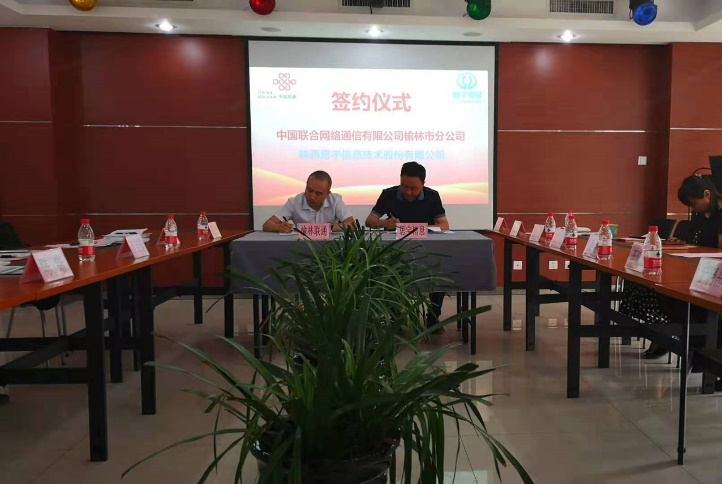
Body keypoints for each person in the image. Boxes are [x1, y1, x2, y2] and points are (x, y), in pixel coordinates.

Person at [365, 162, 449, 330]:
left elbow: (444, 225)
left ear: (423, 184)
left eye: (414, 188)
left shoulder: (432, 196)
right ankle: (396, 316)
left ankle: (433, 317)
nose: (408, 192)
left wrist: (418, 229)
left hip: (426, 249)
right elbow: (370, 221)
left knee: (439, 271)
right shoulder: (388, 194)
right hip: (396, 250)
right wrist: (385, 223)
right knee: (386, 273)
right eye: (404, 186)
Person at [262, 171, 354, 233]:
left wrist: (327, 229)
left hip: (330, 247)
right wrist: (278, 227)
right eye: (309, 190)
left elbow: (352, 225)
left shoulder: (335, 200)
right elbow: (267, 224)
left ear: (327, 194)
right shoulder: (294, 202)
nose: (312, 196)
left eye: (318, 194)